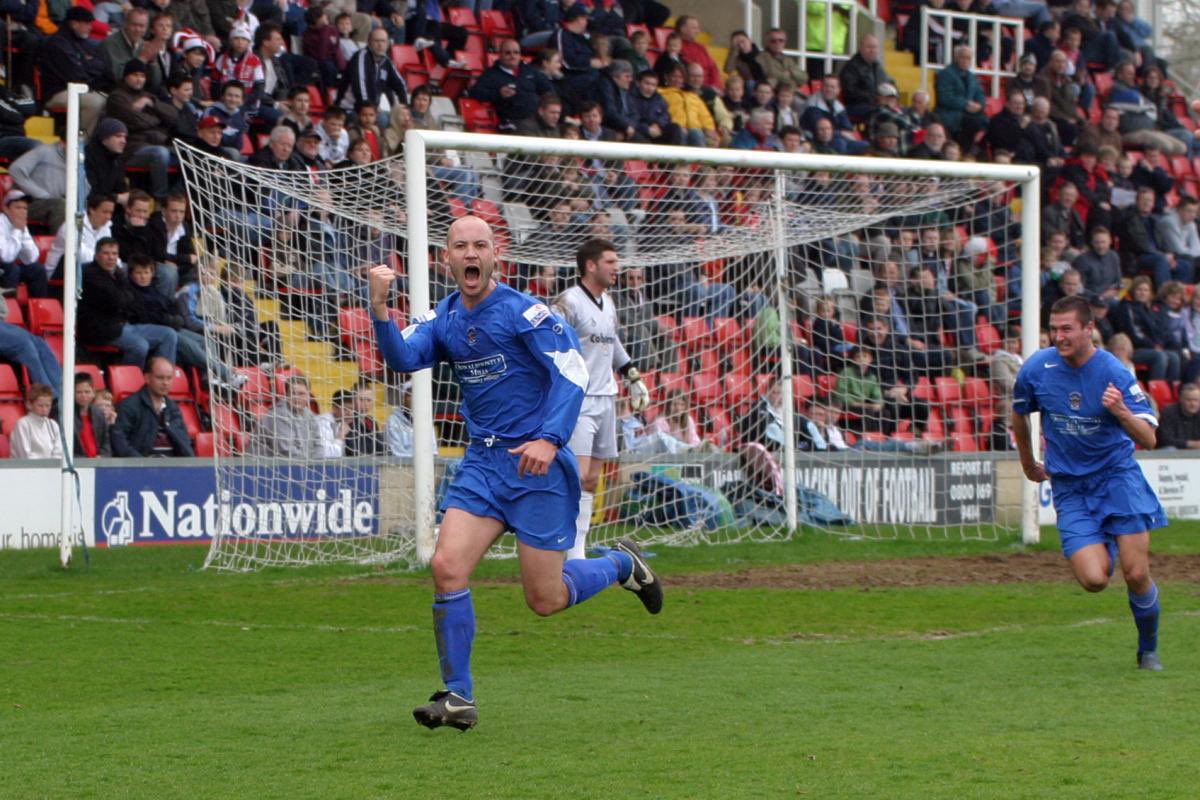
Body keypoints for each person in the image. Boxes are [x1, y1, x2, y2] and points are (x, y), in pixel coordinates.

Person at [370, 215, 663, 731]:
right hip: (482, 466)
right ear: (447, 258)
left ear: (494, 254)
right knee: (446, 568)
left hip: (537, 469)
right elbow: (401, 358)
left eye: (479, 244)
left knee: (544, 600)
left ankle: (621, 565)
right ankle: (458, 696)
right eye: (460, 245)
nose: (470, 253)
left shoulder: (525, 311)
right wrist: (378, 310)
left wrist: (550, 439)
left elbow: (571, 371)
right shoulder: (443, 316)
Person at [1012, 294, 1166, 671]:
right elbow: (1019, 414)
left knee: (1136, 573)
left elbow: (1147, 439)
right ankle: (1108, 539)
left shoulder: (1113, 372)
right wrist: (1028, 461)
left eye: (1067, 328)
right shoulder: (1037, 368)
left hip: (1117, 480)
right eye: (1054, 328)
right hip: (1070, 488)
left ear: (1088, 329)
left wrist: (1121, 412)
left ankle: (1148, 649)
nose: (1059, 336)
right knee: (1095, 580)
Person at [551, 239, 649, 560]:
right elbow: (550, 339)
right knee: (578, 475)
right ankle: (569, 549)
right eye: (610, 261)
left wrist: (632, 374)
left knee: (593, 477)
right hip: (580, 400)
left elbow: (613, 342)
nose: (616, 268)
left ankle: (578, 543)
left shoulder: (609, 302)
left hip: (607, 398)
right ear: (590, 265)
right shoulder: (569, 302)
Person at [112, 356, 195, 457]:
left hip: (173, 467)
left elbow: (184, 440)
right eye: (160, 378)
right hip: (142, 468)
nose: (165, 383)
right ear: (147, 378)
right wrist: (141, 464)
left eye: (169, 378)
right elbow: (120, 442)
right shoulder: (128, 406)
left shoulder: (173, 408)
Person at [0, 190, 47, 298]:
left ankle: (38, 308)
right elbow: (6, 257)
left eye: (25, 208)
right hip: (3, 266)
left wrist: (21, 231)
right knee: (12, 268)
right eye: (18, 208)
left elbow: (31, 258)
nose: (23, 212)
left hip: (8, 267)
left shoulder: (21, 225)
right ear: (6, 209)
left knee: (37, 270)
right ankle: (9, 308)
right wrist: (17, 231)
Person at [10, 383, 62, 459]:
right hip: (25, 469)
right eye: (40, 405)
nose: (44, 409)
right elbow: (25, 455)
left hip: (50, 468)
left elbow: (58, 453)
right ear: (29, 404)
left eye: (47, 405)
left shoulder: (53, 425)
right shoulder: (23, 424)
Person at [73, 372, 113, 457]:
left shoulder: (99, 414)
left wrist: (102, 456)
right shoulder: (66, 416)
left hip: (98, 464)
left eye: (87, 392)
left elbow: (105, 443)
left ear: (93, 392)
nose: (83, 396)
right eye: (79, 392)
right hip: (78, 465)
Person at [1156, 382, 1200, 450]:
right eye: (1189, 400)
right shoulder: (1169, 412)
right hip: (1171, 451)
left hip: (1195, 451)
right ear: (1181, 399)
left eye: (1196, 400)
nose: (1193, 404)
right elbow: (1164, 440)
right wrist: (1189, 444)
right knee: (1170, 449)